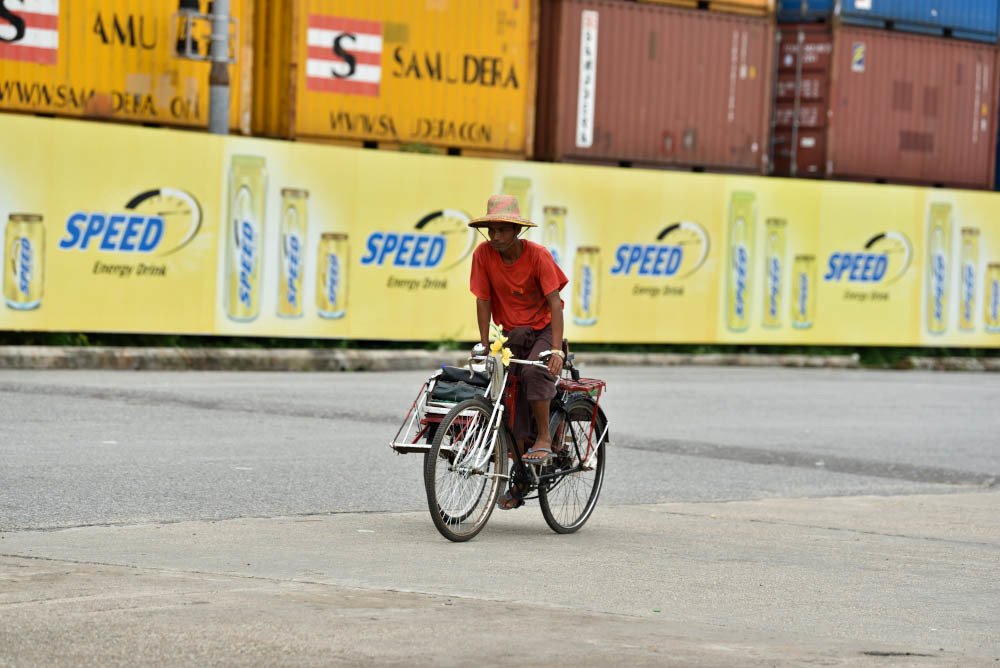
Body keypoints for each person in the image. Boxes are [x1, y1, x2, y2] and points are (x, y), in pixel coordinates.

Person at [468, 193, 568, 509]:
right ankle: (519, 471)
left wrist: (556, 350)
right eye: (492, 230)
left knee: (533, 372)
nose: (495, 237)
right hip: (514, 332)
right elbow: (482, 300)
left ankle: (543, 438)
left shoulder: (538, 256)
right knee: (503, 392)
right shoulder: (483, 255)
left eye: (502, 230)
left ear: (516, 231)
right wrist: (484, 345)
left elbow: (555, 303)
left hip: (543, 328)